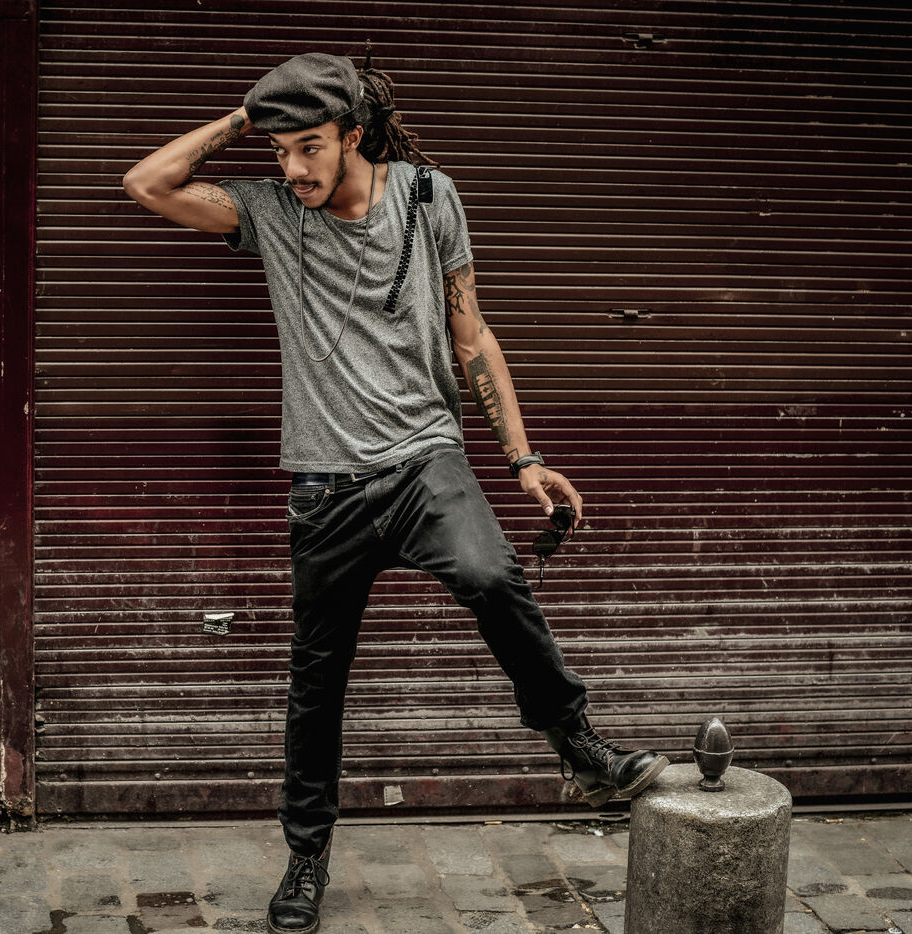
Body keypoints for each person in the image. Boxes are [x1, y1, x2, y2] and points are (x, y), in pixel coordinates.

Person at [124, 51, 667, 934]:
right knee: (318, 678)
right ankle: (307, 856)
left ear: (352, 134)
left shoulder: (427, 197)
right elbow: (146, 183)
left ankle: (575, 744)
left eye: (308, 146)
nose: (293, 168)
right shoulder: (269, 212)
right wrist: (247, 117)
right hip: (325, 486)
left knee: (491, 574)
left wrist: (524, 459)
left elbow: (471, 333)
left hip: (423, 463)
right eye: (279, 152)